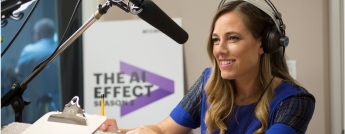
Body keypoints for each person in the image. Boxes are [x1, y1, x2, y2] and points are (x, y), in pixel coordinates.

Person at [98, 0, 315, 134]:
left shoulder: (295, 101)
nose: (219, 50)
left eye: (233, 38)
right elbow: (163, 129)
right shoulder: (209, 81)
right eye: (216, 39)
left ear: (264, 43)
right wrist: (117, 132)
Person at [15, 18, 61, 124]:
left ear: (38, 33)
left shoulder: (28, 50)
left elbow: (18, 73)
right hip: (59, 109)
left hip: (33, 111)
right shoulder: (62, 48)